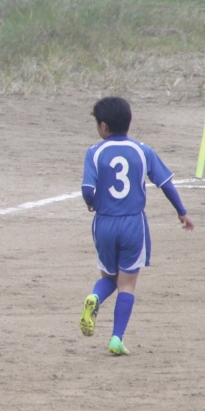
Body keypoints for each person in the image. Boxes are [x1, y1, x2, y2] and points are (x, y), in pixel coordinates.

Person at [79, 96, 194, 355]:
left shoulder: (94, 152)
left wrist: (92, 202)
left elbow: (87, 190)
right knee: (127, 284)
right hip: (133, 223)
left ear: (103, 126)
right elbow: (166, 184)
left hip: (104, 223)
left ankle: (95, 297)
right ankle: (116, 339)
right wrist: (182, 212)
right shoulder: (143, 151)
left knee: (109, 277)